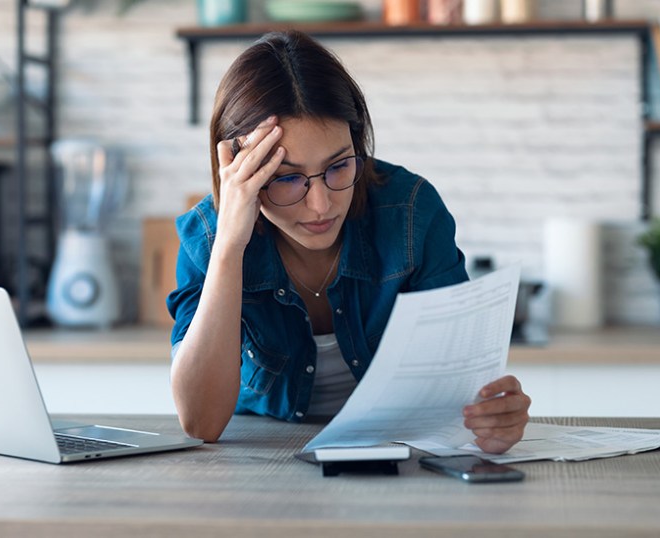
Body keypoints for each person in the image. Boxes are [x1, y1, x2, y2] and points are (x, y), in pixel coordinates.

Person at [167, 30, 530, 453]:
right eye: (286, 178)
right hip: (262, 457)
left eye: (338, 166)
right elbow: (201, 423)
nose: (321, 205)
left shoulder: (410, 212)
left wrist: (494, 418)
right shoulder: (208, 235)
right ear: (240, 170)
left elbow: (457, 396)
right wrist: (230, 244)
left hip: (397, 454)